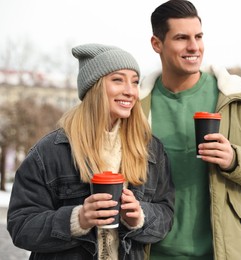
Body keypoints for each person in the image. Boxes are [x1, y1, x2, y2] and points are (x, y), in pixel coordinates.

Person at [139, 0, 241, 259]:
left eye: (198, 36)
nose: (194, 47)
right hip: (150, 252)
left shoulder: (239, 96)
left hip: (223, 252)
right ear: (157, 44)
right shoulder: (137, 104)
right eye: (182, 38)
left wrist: (234, 159)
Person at [7, 43, 175, 260]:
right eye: (117, 80)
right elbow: (21, 226)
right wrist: (78, 219)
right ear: (94, 87)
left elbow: (166, 214)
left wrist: (139, 217)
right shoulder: (50, 151)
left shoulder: (150, 149)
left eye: (134, 82)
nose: (130, 91)